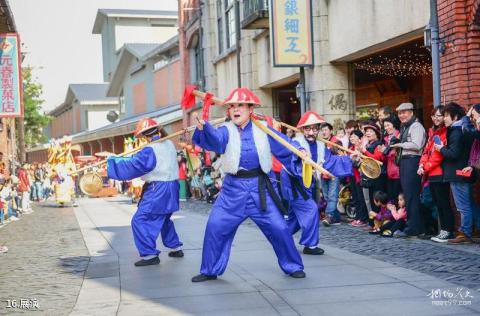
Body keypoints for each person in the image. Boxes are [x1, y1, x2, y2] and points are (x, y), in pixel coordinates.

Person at [191, 87, 305, 282]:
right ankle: (209, 269)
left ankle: (293, 265)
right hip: (232, 190)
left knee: (279, 228)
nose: (235, 109)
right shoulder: (225, 130)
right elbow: (216, 142)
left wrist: (301, 150)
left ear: (250, 108)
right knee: (215, 225)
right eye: (232, 106)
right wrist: (205, 129)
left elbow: (284, 146)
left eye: (240, 105)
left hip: (260, 188)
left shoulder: (264, 129)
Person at [107, 118, 184, 266]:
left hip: (158, 189)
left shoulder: (150, 149)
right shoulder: (168, 144)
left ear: (144, 135)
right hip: (172, 187)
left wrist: (112, 162)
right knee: (163, 219)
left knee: (140, 220)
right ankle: (176, 247)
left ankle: (149, 254)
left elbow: (134, 165)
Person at [283, 111, 326, 255]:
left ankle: (281, 236)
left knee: (295, 217)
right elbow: (293, 157)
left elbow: (330, 161)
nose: (312, 132)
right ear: (302, 130)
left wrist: (352, 160)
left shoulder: (320, 145)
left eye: (315, 128)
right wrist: (301, 153)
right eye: (308, 128)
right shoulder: (296, 142)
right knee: (311, 209)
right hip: (295, 183)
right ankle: (310, 245)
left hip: (308, 184)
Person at [434, 103, 476, 244]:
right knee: (469, 204)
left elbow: (454, 153)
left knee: (463, 206)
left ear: (455, 116)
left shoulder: (457, 131)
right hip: (462, 172)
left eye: (446, 115)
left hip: (459, 173)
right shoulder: (460, 129)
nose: (444, 119)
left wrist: (441, 149)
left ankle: (465, 233)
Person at [417, 106, 453, 242]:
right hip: (431, 173)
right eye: (434, 115)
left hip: (440, 172)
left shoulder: (445, 132)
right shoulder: (432, 131)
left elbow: (438, 156)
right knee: (438, 203)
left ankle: (448, 230)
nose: (436, 118)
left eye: (439, 115)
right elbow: (426, 151)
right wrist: (421, 164)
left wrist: (424, 167)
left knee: (444, 203)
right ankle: (443, 230)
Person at [390, 103, 426, 238]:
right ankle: (414, 226)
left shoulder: (416, 126)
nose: (401, 115)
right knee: (409, 195)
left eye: (404, 112)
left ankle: (413, 228)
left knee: (411, 196)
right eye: (399, 113)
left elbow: (417, 145)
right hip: (406, 162)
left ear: (411, 112)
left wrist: (399, 144)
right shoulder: (406, 126)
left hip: (412, 161)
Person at [379, 118, 401, 200]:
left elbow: (395, 154)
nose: (386, 128)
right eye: (385, 126)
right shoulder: (386, 139)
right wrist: (382, 152)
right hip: (389, 173)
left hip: (398, 172)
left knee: (399, 198)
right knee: (391, 198)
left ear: (394, 125)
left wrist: (386, 151)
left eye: (388, 125)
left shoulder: (399, 136)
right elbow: (383, 158)